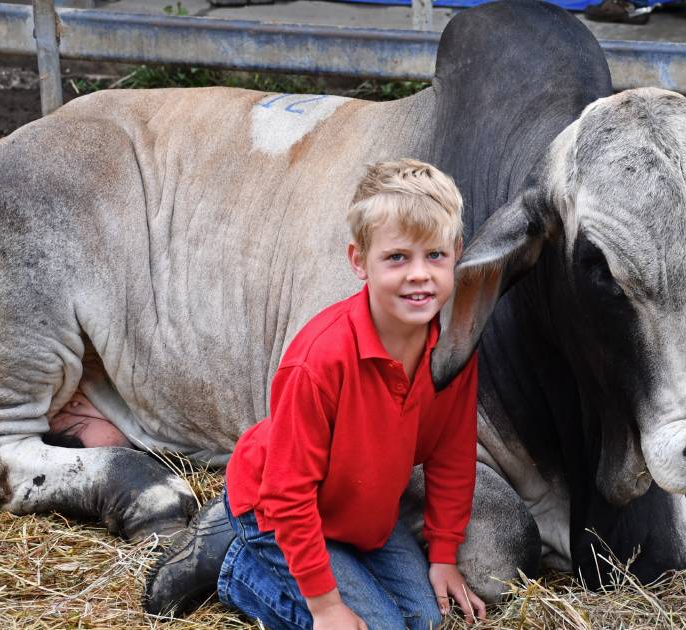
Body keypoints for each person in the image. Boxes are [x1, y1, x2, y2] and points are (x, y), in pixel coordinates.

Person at [144, 159, 487, 630]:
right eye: (396, 258)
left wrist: (444, 553)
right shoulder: (320, 359)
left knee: (427, 622)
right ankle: (234, 569)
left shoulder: (451, 352)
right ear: (358, 260)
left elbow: (451, 454)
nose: (419, 275)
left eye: (435, 255)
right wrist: (326, 608)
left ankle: (326, 571)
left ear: (457, 254)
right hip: (276, 508)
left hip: (358, 519)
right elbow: (287, 493)